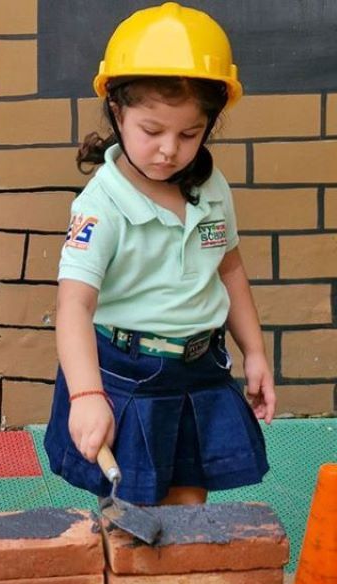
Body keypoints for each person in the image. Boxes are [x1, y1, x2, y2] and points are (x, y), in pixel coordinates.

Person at [44, 3, 274, 506]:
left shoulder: (212, 187)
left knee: (190, 505)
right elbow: (73, 307)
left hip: (201, 367)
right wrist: (86, 396)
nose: (169, 149)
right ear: (117, 111)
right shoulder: (101, 207)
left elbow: (229, 268)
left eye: (189, 134)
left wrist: (254, 351)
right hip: (127, 373)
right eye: (152, 131)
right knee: (132, 513)